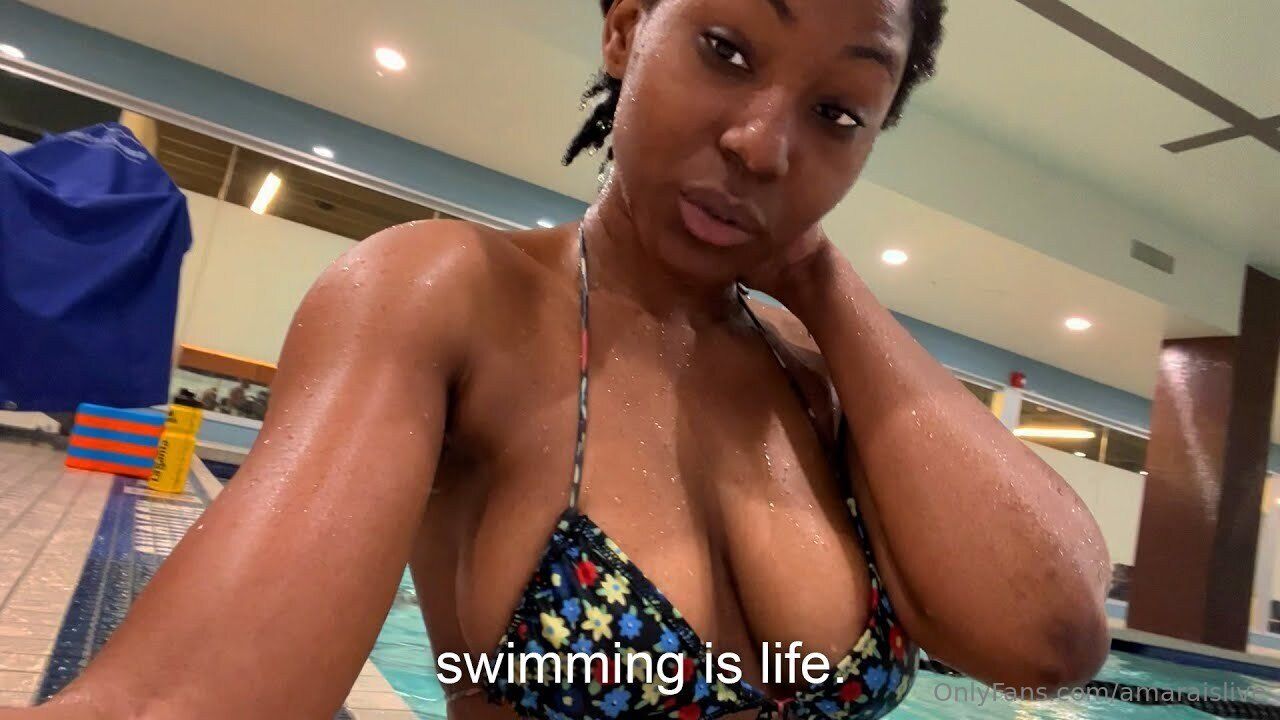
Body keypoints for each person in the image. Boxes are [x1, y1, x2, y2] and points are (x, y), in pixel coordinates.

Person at [18, 1, 1111, 718]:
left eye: (836, 113)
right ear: (627, 29)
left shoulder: (816, 379)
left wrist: (825, 283)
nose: (762, 144)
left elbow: (1049, 639)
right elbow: (185, 696)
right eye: (726, 51)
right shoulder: (450, 297)